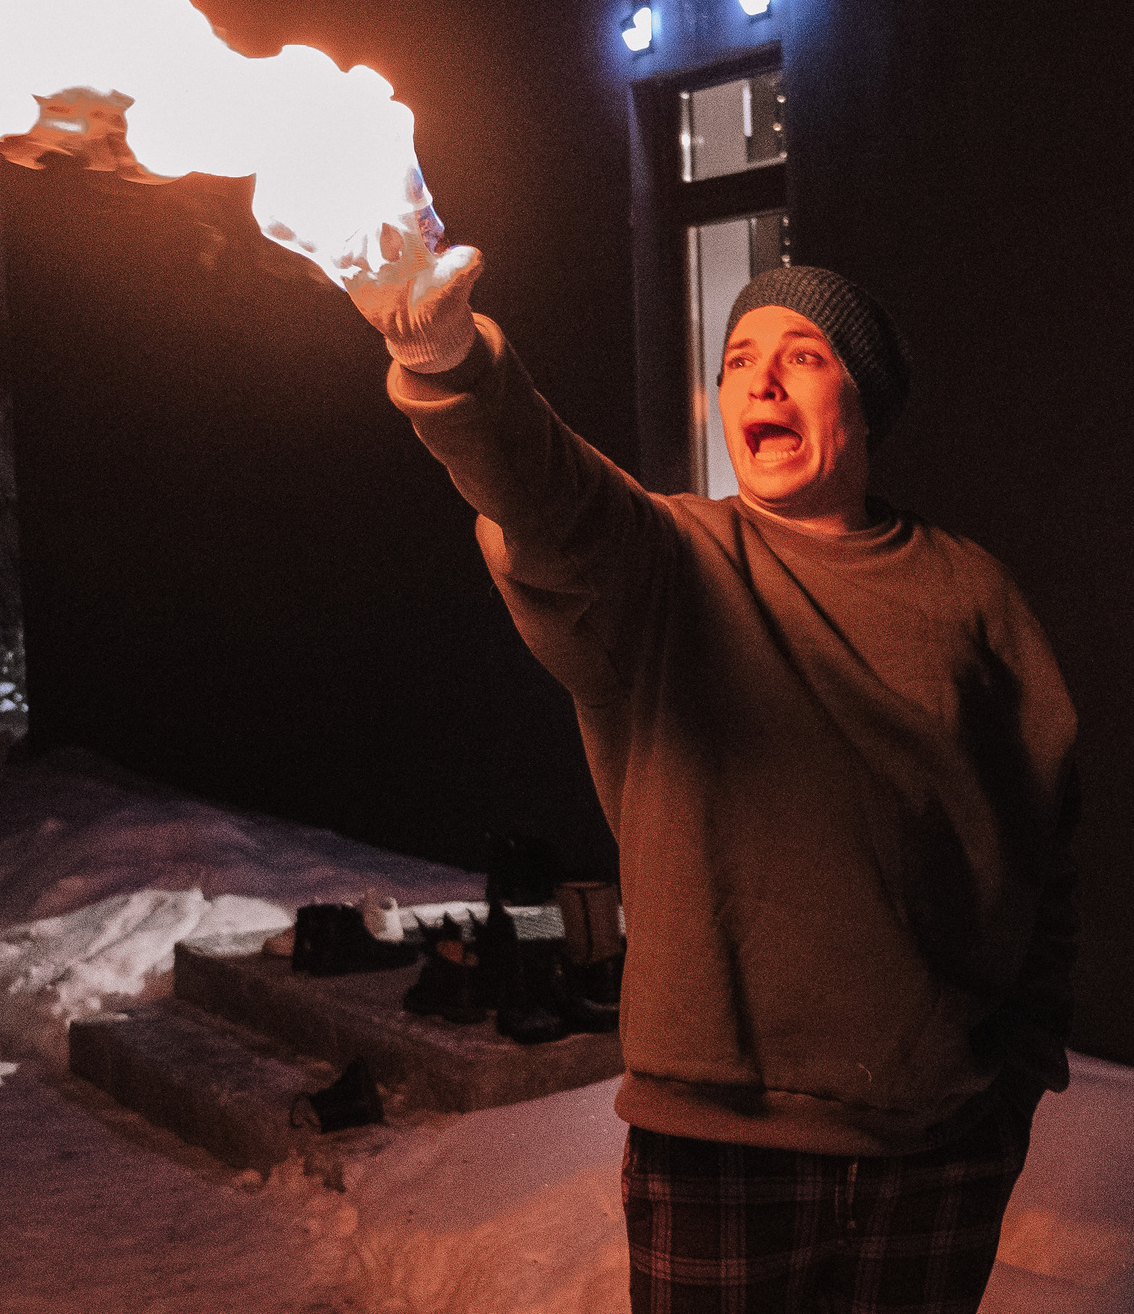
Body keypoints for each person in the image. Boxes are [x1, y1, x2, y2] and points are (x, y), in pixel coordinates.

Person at [342, 226, 1078, 1314]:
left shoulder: (972, 592)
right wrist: (454, 369)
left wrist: (1015, 1076)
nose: (760, 381)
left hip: (939, 1136)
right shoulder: (672, 566)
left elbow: (1046, 844)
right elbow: (547, 501)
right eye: (737, 360)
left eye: (803, 355)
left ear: (863, 400)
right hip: (719, 1146)